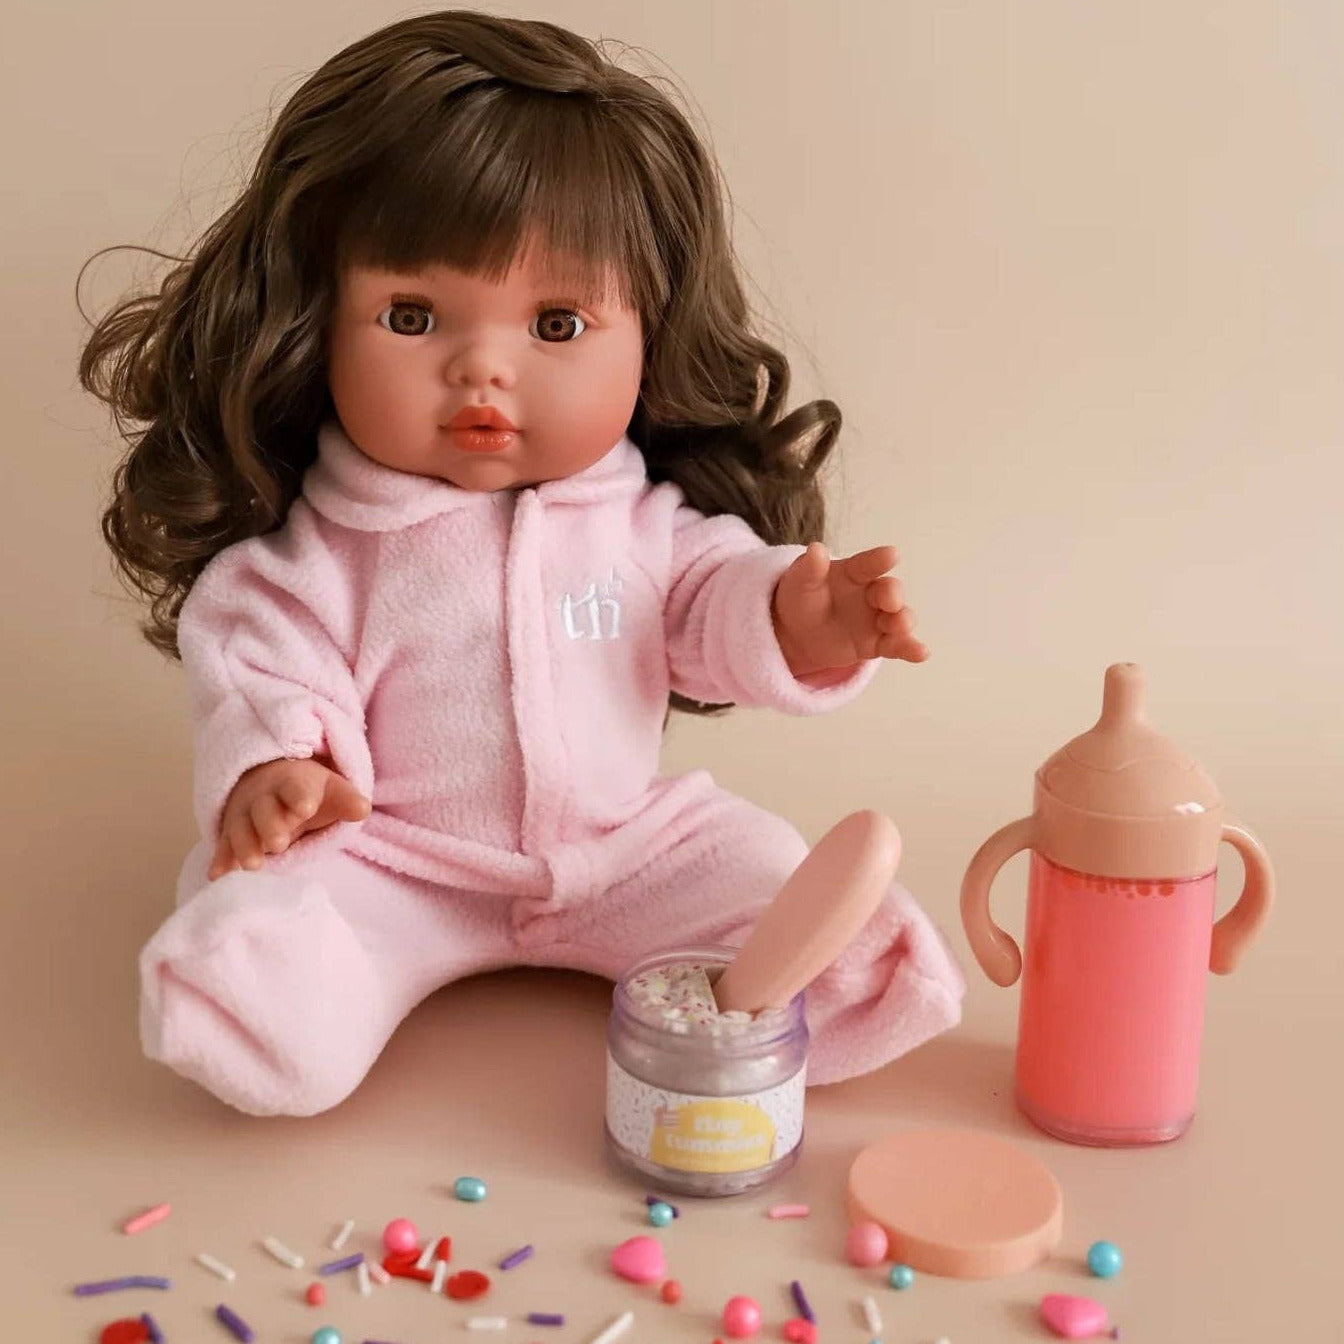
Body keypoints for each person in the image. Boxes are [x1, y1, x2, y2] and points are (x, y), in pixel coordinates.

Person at [78, 10, 963, 1117]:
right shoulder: (323, 555)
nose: (481, 372)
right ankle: (271, 991)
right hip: (397, 861)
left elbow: (708, 600)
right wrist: (281, 771)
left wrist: (802, 616)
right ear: (316, 323)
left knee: (760, 860)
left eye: (556, 325)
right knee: (286, 907)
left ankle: (817, 973)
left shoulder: (636, 530)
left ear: (647, 336)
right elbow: (264, 660)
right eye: (412, 315)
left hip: (627, 849)